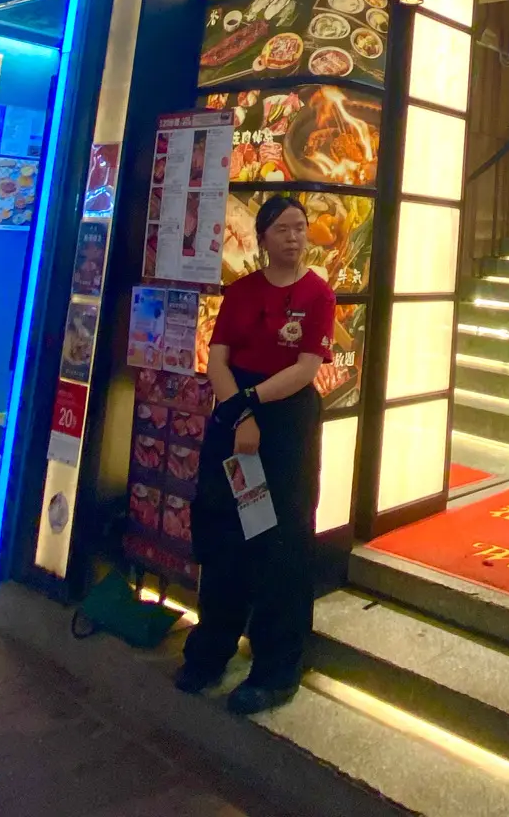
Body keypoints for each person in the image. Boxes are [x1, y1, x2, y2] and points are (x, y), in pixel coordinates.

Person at [175, 194, 334, 715]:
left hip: (285, 424)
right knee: (228, 533)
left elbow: (306, 368)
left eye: (300, 227)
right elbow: (218, 360)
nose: (294, 236)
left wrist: (253, 404)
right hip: (236, 417)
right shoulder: (242, 292)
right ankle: (210, 651)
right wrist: (240, 414)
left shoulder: (317, 294)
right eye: (283, 228)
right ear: (262, 237)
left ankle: (276, 669)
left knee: (281, 541)